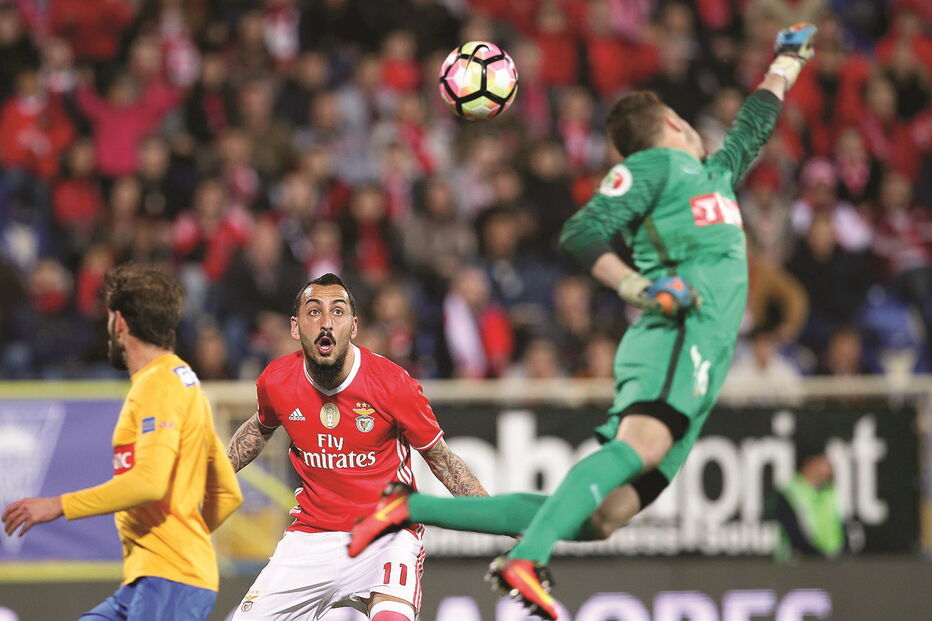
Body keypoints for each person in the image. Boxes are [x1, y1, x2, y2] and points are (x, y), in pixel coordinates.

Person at [349, 23, 818, 620]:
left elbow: (754, 124)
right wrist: (641, 287)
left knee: (601, 519)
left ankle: (405, 508)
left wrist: (787, 62)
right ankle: (526, 560)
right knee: (641, 444)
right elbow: (582, 231)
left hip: (706, 361)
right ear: (672, 124)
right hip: (675, 337)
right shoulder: (653, 168)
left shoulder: (717, 176)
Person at [225, 272, 487, 621]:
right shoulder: (276, 380)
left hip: (386, 537)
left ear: (353, 326)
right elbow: (260, 428)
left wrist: (497, 519)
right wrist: (212, 474)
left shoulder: (392, 384)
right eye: (314, 311)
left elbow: (443, 461)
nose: (326, 322)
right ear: (295, 327)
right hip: (311, 538)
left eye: (338, 311)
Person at [1, 263, 243, 620]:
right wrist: (177, 542)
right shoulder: (181, 381)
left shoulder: (157, 386)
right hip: (153, 579)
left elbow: (149, 482)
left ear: (120, 323)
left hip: (170, 582)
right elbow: (227, 493)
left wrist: (58, 504)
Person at [773, 443, 846, 562]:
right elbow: (793, 532)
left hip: (831, 563)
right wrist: (816, 556)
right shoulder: (790, 493)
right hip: (800, 563)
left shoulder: (830, 493)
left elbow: (839, 528)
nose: (830, 466)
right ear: (811, 463)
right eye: (824, 461)